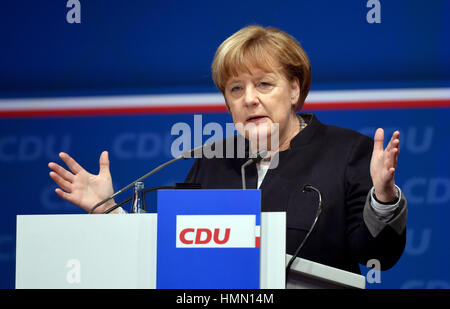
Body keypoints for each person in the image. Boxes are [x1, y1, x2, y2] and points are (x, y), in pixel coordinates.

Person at [48, 25, 407, 275]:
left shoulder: (345, 152)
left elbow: (377, 256)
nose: (249, 99)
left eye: (264, 84)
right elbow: (174, 252)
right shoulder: (212, 160)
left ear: (294, 90)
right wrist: (111, 211)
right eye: (235, 89)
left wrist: (384, 198)